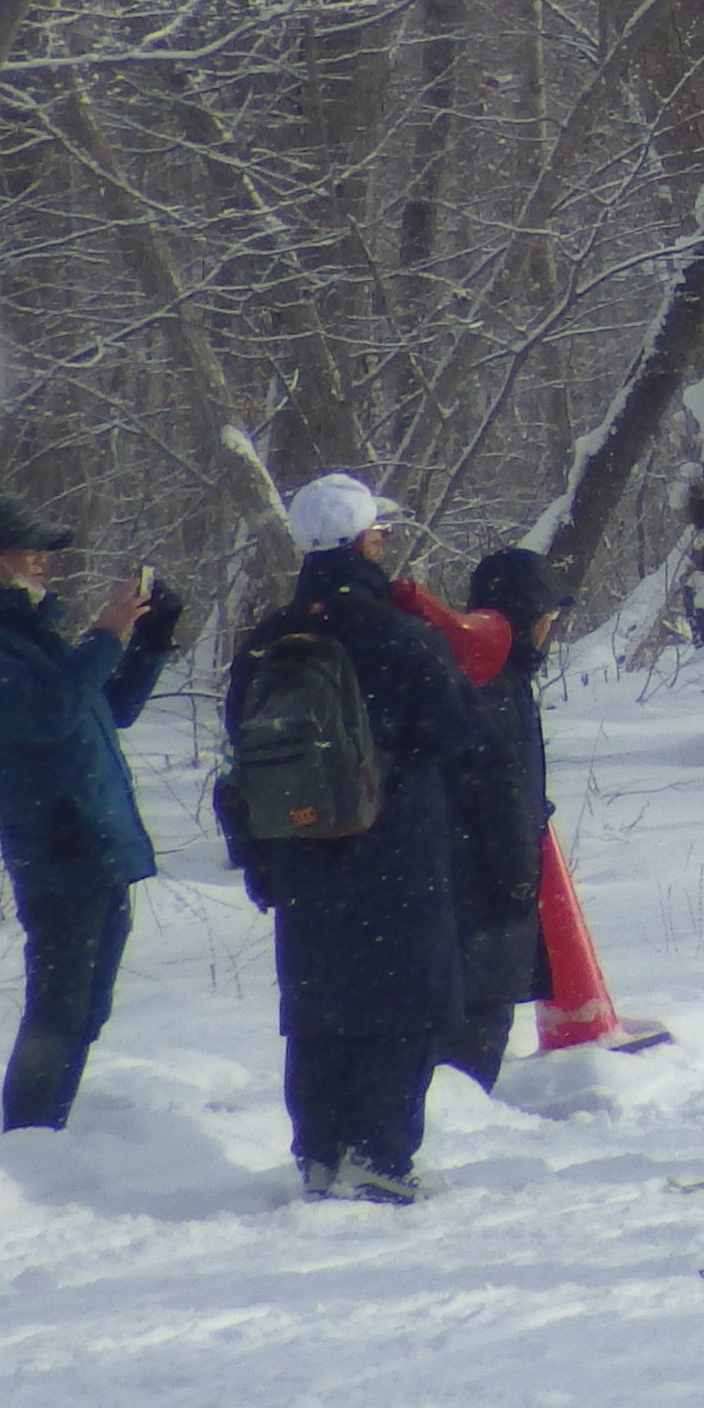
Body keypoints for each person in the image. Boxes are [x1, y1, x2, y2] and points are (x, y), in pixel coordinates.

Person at [224, 475, 508, 1200]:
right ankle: (381, 1159)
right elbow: (466, 735)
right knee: (402, 1006)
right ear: (366, 542)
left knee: (320, 1009)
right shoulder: (398, 635)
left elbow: (241, 757)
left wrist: (265, 857)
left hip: (300, 857)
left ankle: (318, 1155)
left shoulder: (265, 642)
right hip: (396, 855)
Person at [0, 491, 179, 1131]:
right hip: (59, 847)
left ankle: (48, 1130)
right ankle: (31, 1135)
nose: (42, 563)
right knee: (58, 1010)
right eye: (27, 551)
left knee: (86, 1007)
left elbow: (104, 709)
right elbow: (47, 714)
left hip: (96, 842)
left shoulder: (29, 630)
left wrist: (148, 640)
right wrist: (105, 633)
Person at [442, 550, 562, 1092]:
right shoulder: (494, 680)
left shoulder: (470, 668)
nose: (549, 632)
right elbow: (500, 786)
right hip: (484, 886)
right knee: (477, 1019)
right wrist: (518, 874)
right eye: (547, 619)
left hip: (456, 879)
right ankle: (457, 1120)